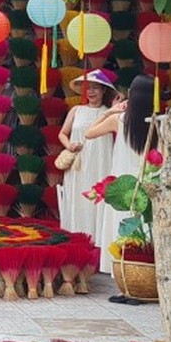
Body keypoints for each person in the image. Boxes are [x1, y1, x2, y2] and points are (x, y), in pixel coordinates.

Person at [85, 74, 155, 276]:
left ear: (132, 96)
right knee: (145, 226)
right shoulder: (157, 122)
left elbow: (90, 132)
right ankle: (144, 271)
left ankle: (123, 272)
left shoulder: (119, 120)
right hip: (147, 182)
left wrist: (111, 112)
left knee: (122, 225)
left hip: (121, 185)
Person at [58, 69, 117, 243]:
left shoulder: (111, 113)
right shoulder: (76, 110)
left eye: (96, 88)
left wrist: (115, 107)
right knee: (77, 198)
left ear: (104, 90)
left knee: (98, 199)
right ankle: (75, 238)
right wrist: (69, 145)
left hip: (101, 163)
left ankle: (98, 240)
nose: (91, 92)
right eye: (88, 88)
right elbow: (63, 133)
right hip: (79, 164)